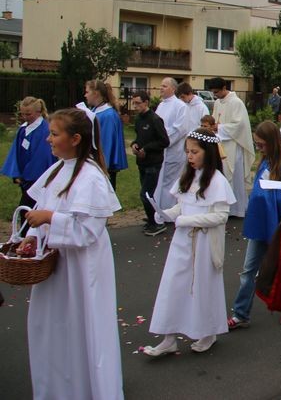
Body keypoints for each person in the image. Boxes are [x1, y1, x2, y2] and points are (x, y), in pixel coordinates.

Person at [18, 107, 123, 399]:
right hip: (56, 266)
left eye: (54, 134)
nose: (48, 139)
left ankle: (85, 389)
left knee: (81, 327)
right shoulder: (57, 170)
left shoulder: (91, 177)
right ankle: (57, 389)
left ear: (75, 139)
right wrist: (32, 237)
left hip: (81, 268)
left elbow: (87, 231)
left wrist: (51, 218)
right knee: (52, 327)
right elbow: (40, 210)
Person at [144, 128, 236, 356]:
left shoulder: (217, 181)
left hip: (204, 244)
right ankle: (168, 337)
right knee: (173, 285)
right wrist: (166, 214)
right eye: (187, 152)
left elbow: (220, 216)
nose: (190, 156)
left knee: (202, 288)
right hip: (182, 242)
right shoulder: (188, 176)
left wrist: (187, 220)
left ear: (208, 152)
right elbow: (183, 205)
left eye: (195, 152)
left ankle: (208, 332)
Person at [227, 121, 281, 330]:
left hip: (277, 223)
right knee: (249, 270)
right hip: (260, 223)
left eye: (262, 145)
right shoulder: (265, 161)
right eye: (257, 144)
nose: (259, 149)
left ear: (272, 142)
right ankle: (241, 313)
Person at [209, 77, 255, 218]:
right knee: (222, 176)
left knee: (235, 178)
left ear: (224, 88)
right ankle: (224, 209)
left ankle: (238, 209)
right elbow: (214, 120)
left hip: (234, 146)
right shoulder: (218, 102)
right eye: (213, 92)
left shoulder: (236, 102)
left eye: (217, 92)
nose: (215, 95)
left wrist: (219, 128)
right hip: (221, 145)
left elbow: (239, 125)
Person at [1, 96, 56, 209]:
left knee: (29, 209)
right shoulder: (23, 129)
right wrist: (16, 173)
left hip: (36, 178)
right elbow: (16, 152)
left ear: (38, 112)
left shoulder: (44, 130)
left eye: (28, 114)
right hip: (24, 177)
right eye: (22, 114)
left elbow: (41, 158)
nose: (25, 117)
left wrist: (26, 176)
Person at [130, 91, 170, 236]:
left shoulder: (155, 119)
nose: (135, 106)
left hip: (153, 161)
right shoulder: (138, 119)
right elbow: (139, 137)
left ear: (146, 102)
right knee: (147, 194)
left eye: (138, 103)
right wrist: (134, 145)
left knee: (145, 194)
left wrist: (146, 149)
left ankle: (156, 222)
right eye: (133, 103)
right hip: (142, 161)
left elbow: (164, 141)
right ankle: (152, 218)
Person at [82, 80, 128, 190]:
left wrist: (101, 166)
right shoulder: (96, 110)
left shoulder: (108, 115)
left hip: (103, 167)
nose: (85, 95)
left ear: (96, 93)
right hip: (94, 163)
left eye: (87, 92)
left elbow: (106, 144)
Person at [153, 77, 188, 210]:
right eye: (161, 85)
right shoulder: (161, 105)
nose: (161, 88)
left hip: (173, 150)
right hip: (160, 150)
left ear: (173, 89)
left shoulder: (180, 106)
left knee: (170, 182)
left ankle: (169, 211)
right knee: (159, 181)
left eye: (164, 86)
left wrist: (163, 139)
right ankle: (158, 210)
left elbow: (180, 128)